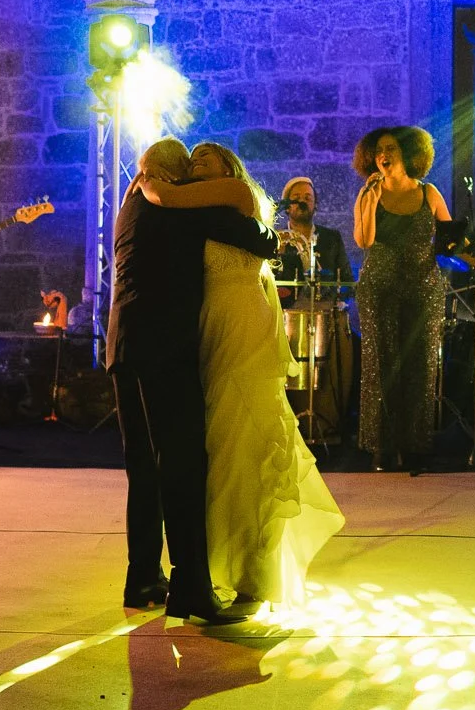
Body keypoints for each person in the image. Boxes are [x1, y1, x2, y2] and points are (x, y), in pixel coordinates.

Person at [139, 143, 345, 611]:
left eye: (205, 157)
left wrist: (148, 179)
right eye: (193, 159)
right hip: (213, 322)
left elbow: (168, 198)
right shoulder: (205, 209)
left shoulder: (234, 192)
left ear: (228, 166)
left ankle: (256, 571)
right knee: (220, 441)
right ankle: (226, 565)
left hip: (243, 318)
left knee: (246, 435)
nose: (196, 163)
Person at [106, 137, 279, 625]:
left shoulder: (131, 206)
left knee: (143, 468)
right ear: (176, 175)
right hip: (164, 348)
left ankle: (143, 577)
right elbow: (261, 240)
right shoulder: (181, 207)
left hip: (124, 344)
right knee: (182, 466)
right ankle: (191, 589)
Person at [352, 124, 475, 473]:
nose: (384, 155)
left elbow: (454, 242)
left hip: (423, 287)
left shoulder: (428, 193)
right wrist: (371, 199)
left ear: (408, 153)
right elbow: (364, 241)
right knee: (382, 365)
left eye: (392, 148)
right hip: (379, 287)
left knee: (421, 365)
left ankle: (414, 445)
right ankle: (382, 447)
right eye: (379, 150)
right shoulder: (368, 193)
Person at [274, 176, 351, 289]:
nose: (302, 201)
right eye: (296, 198)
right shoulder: (278, 239)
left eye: (307, 198)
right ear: (287, 207)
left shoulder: (332, 238)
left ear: (315, 205)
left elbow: (347, 281)